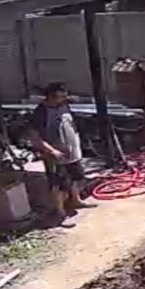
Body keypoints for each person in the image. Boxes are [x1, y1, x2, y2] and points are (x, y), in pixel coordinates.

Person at [29, 82, 95, 225]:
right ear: (51, 97)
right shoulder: (41, 112)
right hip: (55, 155)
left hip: (72, 151)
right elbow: (35, 137)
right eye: (61, 97)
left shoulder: (64, 106)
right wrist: (51, 150)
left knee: (74, 178)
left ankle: (76, 201)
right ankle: (60, 213)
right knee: (57, 184)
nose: (64, 99)